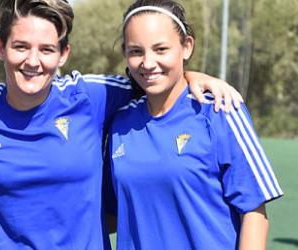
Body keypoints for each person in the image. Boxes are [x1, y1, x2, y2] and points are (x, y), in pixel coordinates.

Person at [0, 0, 243, 248]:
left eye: (47, 49)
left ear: (64, 53)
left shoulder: (91, 96)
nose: (33, 60)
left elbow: (154, 72)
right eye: (20, 47)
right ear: (0, 48)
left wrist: (197, 77)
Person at [108, 0, 283, 249]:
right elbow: (113, 214)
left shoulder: (220, 110)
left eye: (161, 49)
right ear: (125, 52)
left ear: (187, 46)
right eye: (136, 51)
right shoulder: (120, 123)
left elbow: (254, 212)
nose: (148, 62)